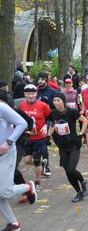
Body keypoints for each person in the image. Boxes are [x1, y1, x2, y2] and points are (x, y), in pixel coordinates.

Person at [0, 91, 37, 231]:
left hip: (6, 153)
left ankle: (28, 187)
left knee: (4, 192)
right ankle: (13, 224)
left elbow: (22, 123)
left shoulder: (2, 107)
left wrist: (8, 142)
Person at [48, 93, 88, 202]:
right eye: (55, 100)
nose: (56, 103)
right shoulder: (52, 113)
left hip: (74, 145)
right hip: (62, 146)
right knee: (68, 172)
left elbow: (85, 120)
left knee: (71, 169)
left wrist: (81, 133)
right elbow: (52, 124)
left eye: (58, 100)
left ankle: (83, 182)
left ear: (63, 101)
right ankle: (79, 192)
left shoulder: (72, 112)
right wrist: (48, 136)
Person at [19, 84, 51, 191]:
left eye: (32, 94)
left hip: (39, 137)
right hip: (27, 137)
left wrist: (46, 125)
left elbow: (50, 117)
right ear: (24, 94)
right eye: (28, 94)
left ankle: (37, 182)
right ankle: (42, 164)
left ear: (36, 94)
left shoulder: (43, 105)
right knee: (27, 160)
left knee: (36, 159)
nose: (30, 96)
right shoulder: (21, 105)